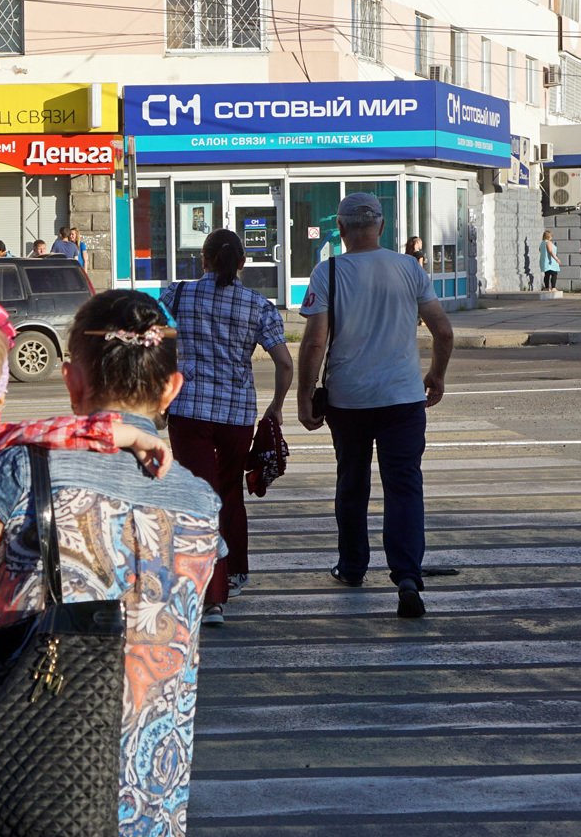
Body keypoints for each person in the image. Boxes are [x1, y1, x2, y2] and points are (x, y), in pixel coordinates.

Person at [0, 290, 221, 837]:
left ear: (72, 381)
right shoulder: (203, 505)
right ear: (171, 388)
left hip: (26, 791)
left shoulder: (24, 470)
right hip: (151, 817)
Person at [296, 192, 454, 619]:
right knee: (404, 485)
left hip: (349, 400)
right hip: (403, 398)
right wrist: (436, 375)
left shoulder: (328, 271)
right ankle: (406, 574)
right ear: (382, 227)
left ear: (342, 229)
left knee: (352, 481)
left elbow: (314, 342)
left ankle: (352, 567)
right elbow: (442, 331)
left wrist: (305, 395)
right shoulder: (409, 268)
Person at [160, 228, 293, 625]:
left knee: (199, 496)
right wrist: (276, 406)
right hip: (236, 416)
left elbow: (153, 342)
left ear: (203, 260)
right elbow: (286, 364)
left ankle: (211, 596)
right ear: (242, 263)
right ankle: (233, 575)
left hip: (189, 413)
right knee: (229, 492)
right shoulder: (258, 305)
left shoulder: (177, 295)